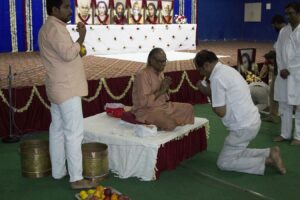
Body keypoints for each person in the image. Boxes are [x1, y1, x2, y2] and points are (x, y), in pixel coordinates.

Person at [194, 50, 286, 175]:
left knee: (223, 163)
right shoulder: (228, 70)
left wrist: (205, 92)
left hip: (243, 127)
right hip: (252, 120)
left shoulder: (216, 78)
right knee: (236, 150)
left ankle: (266, 160)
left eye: (200, 70)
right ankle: (269, 152)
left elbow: (220, 111)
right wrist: (209, 92)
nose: (201, 73)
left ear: (206, 65)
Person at [39, 0, 95, 189]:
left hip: (58, 87)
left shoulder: (50, 27)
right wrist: (81, 37)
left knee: (58, 129)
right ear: (54, 9)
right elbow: (68, 54)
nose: (70, 11)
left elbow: (64, 54)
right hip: (67, 88)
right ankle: (76, 178)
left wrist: (76, 45)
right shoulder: (55, 28)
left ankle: (58, 171)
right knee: (74, 133)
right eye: (66, 7)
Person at [131, 48, 194, 131]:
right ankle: (163, 122)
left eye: (165, 61)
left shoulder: (160, 73)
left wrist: (166, 88)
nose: (164, 64)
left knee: (188, 108)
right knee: (170, 124)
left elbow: (165, 98)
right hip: (146, 111)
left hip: (162, 107)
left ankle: (162, 122)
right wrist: (161, 90)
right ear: (151, 60)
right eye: (161, 61)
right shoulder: (143, 75)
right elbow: (143, 102)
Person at [273, 2, 300, 145]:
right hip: (284, 73)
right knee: (284, 104)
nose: (288, 16)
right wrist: (282, 68)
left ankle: (298, 137)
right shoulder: (284, 31)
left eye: (291, 13)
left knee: (299, 105)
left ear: (298, 13)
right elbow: (279, 51)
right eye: (287, 14)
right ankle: (285, 134)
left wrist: (290, 69)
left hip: (298, 73)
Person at [260, 51, 280, 123]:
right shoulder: (268, 61)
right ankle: (273, 115)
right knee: (272, 95)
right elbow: (263, 71)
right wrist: (260, 76)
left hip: (281, 77)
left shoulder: (279, 61)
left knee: (274, 96)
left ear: (273, 58)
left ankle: (274, 116)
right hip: (277, 77)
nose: (267, 60)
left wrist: (272, 68)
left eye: (269, 59)